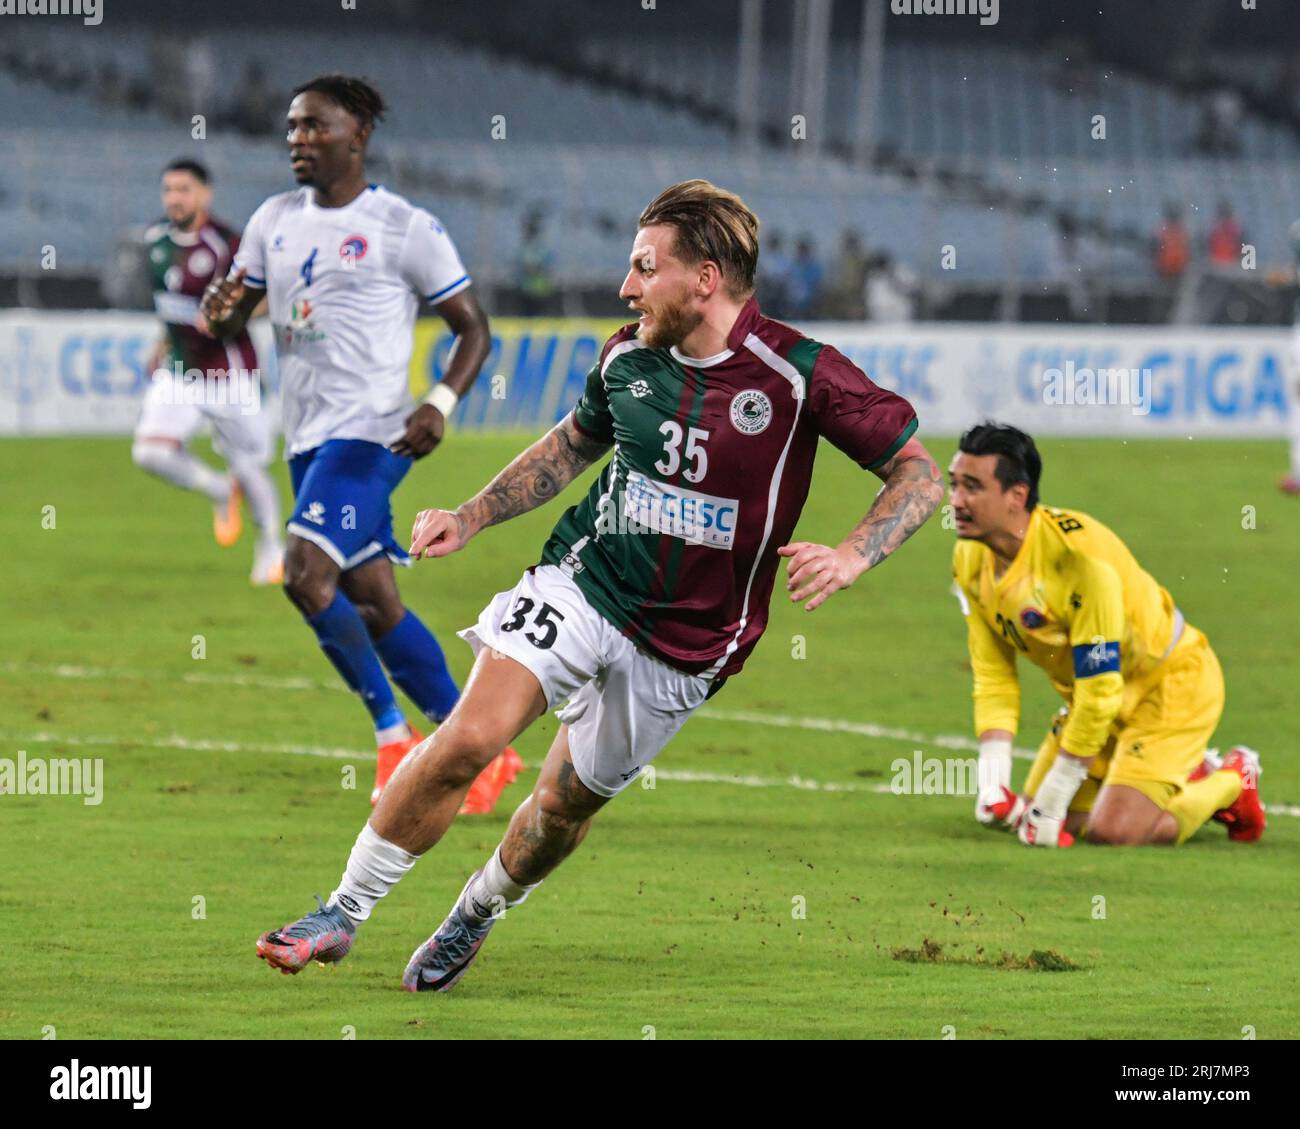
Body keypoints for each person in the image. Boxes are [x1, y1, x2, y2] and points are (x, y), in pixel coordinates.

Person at [253, 178, 944, 991]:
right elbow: (571, 447)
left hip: (693, 641)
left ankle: (473, 913)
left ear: (705, 278)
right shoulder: (626, 356)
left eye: (645, 268)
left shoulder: (797, 374)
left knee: (560, 810)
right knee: (471, 738)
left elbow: (917, 473)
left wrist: (857, 552)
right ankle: (342, 910)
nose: (626, 287)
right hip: (586, 580)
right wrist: (473, 514)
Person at [200, 75, 520, 812]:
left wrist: (440, 401)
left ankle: (394, 737)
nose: (298, 142)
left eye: (315, 128)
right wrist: (219, 315)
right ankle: (485, 751)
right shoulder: (271, 220)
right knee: (373, 602)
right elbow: (230, 313)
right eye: (291, 129)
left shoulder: (404, 226)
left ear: (359, 134)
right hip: (308, 437)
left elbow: (473, 327)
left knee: (304, 573)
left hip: (374, 435)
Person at [949, 422, 1265, 848]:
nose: (956, 501)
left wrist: (1056, 796)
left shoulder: (1079, 562)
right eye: (954, 485)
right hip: (1094, 700)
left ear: (1016, 497)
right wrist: (992, 780)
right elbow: (994, 678)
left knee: (1112, 831)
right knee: (1043, 818)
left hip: (1170, 686)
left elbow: (1101, 690)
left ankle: (1232, 779)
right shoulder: (971, 558)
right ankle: (1171, 774)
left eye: (972, 487)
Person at [133, 158, 284, 585]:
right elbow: (170, 303)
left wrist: (231, 317)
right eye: (168, 190)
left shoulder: (227, 244)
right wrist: (161, 342)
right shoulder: (155, 240)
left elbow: (268, 296)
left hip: (230, 374)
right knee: (149, 452)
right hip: (180, 371)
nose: (174, 198)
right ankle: (219, 489)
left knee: (249, 465)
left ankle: (272, 547)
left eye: (183, 189)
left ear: (204, 194)